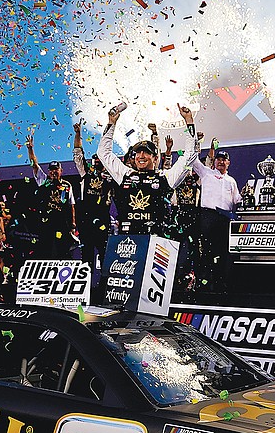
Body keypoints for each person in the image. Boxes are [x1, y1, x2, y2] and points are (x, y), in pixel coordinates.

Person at [98, 103, 198, 236]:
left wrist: (189, 121)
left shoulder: (165, 177)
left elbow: (190, 155)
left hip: (157, 243)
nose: (141, 156)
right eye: (138, 153)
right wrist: (111, 123)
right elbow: (103, 153)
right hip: (126, 242)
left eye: (146, 153)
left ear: (155, 158)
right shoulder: (125, 175)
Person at [192, 137, 242, 292]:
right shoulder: (206, 173)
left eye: (224, 160)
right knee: (206, 250)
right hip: (208, 216)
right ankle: (204, 283)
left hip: (225, 218)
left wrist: (246, 197)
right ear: (213, 161)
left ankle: (222, 283)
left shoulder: (232, 181)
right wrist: (195, 141)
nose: (221, 162)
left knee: (224, 252)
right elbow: (193, 159)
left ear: (229, 163)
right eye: (218, 159)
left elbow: (236, 199)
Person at [73, 121, 114, 293]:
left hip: (103, 221)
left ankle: (105, 288)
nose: (97, 162)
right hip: (86, 221)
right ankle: (84, 289)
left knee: (105, 255)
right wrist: (78, 133)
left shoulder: (111, 176)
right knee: (87, 256)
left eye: (100, 160)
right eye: (95, 159)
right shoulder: (85, 173)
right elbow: (78, 154)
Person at [27, 133, 77, 259]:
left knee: (62, 249)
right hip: (46, 221)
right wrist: (30, 149)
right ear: (48, 171)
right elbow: (34, 165)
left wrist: (73, 224)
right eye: (51, 170)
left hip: (61, 221)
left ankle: (63, 273)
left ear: (61, 171)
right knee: (45, 247)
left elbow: (71, 205)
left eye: (56, 170)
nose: (54, 172)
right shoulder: (44, 181)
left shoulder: (67, 185)